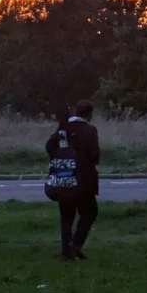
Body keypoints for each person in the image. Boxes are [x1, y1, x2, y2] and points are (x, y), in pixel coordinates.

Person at [45, 99, 100, 260]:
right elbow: (94, 156)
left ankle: (66, 253)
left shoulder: (63, 128)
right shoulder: (90, 130)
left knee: (66, 216)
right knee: (90, 212)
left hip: (63, 178)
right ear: (90, 114)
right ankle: (76, 244)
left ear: (76, 112)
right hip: (83, 180)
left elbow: (49, 146)